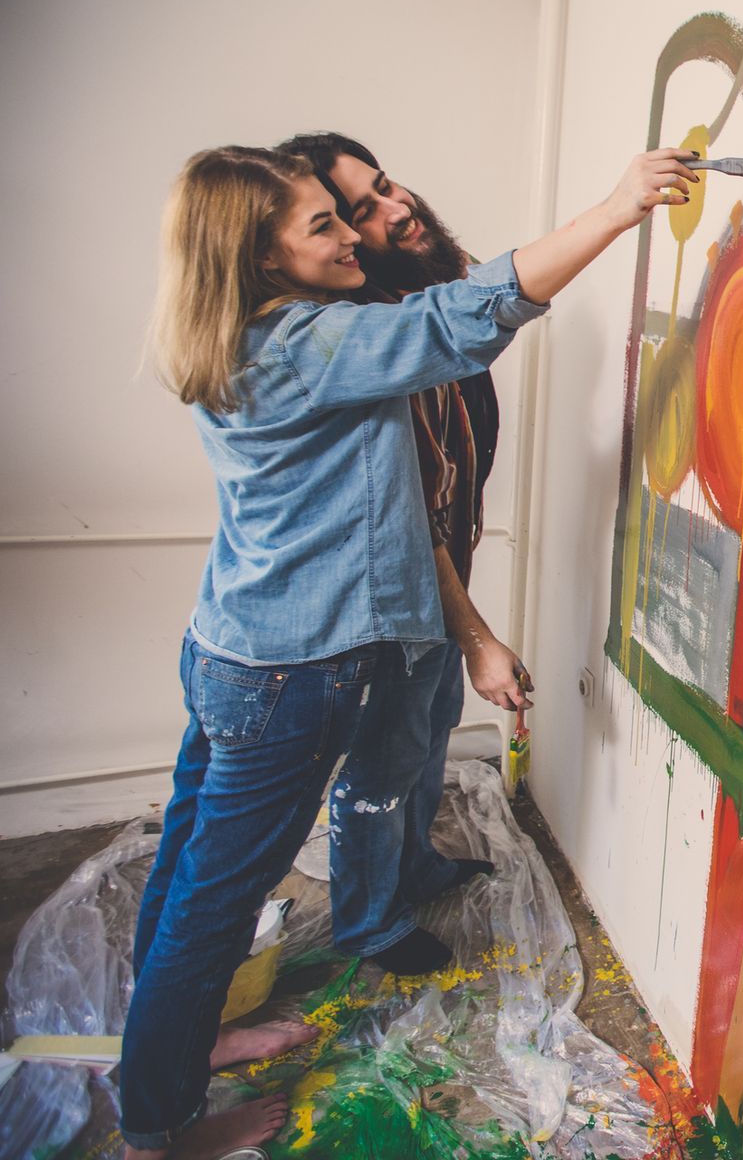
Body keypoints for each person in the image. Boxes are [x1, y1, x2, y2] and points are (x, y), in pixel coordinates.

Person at [128, 142, 694, 1159]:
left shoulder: (232, 333)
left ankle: (186, 1045)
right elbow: (460, 318)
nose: (352, 233)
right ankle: (156, 1128)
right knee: (214, 902)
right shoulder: (306, 343)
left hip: (228, 648)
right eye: (323, 224)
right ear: (260, 258)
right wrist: (616, 208)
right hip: (289, 676)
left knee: (188, 869)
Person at [275, 132, 525, 977]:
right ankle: (368, 921)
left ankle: (413, 866)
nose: (395, 208)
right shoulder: (369, 341)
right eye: (359, 210)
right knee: (385, 758)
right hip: (395, 592)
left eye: (386, 185)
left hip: (440, 574)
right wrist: (477, 638)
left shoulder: (421, 293)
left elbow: (493, 288)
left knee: (426, 730)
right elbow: (412, 517)